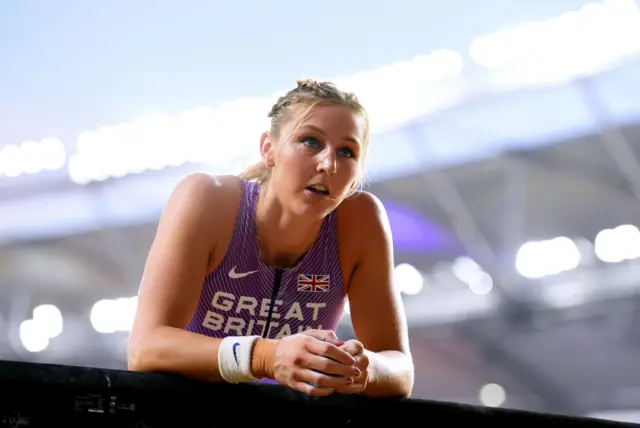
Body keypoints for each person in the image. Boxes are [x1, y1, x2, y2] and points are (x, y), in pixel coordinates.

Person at [127, 79, 414, 398]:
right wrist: (266, 357)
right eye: (310, 142)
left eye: (347, 151)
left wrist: (364, 368)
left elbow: (400, 370)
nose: (328, 164)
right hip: (184, 416)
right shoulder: (209, 200)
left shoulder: (361, 222)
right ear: (269, 149)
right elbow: (145, 349)